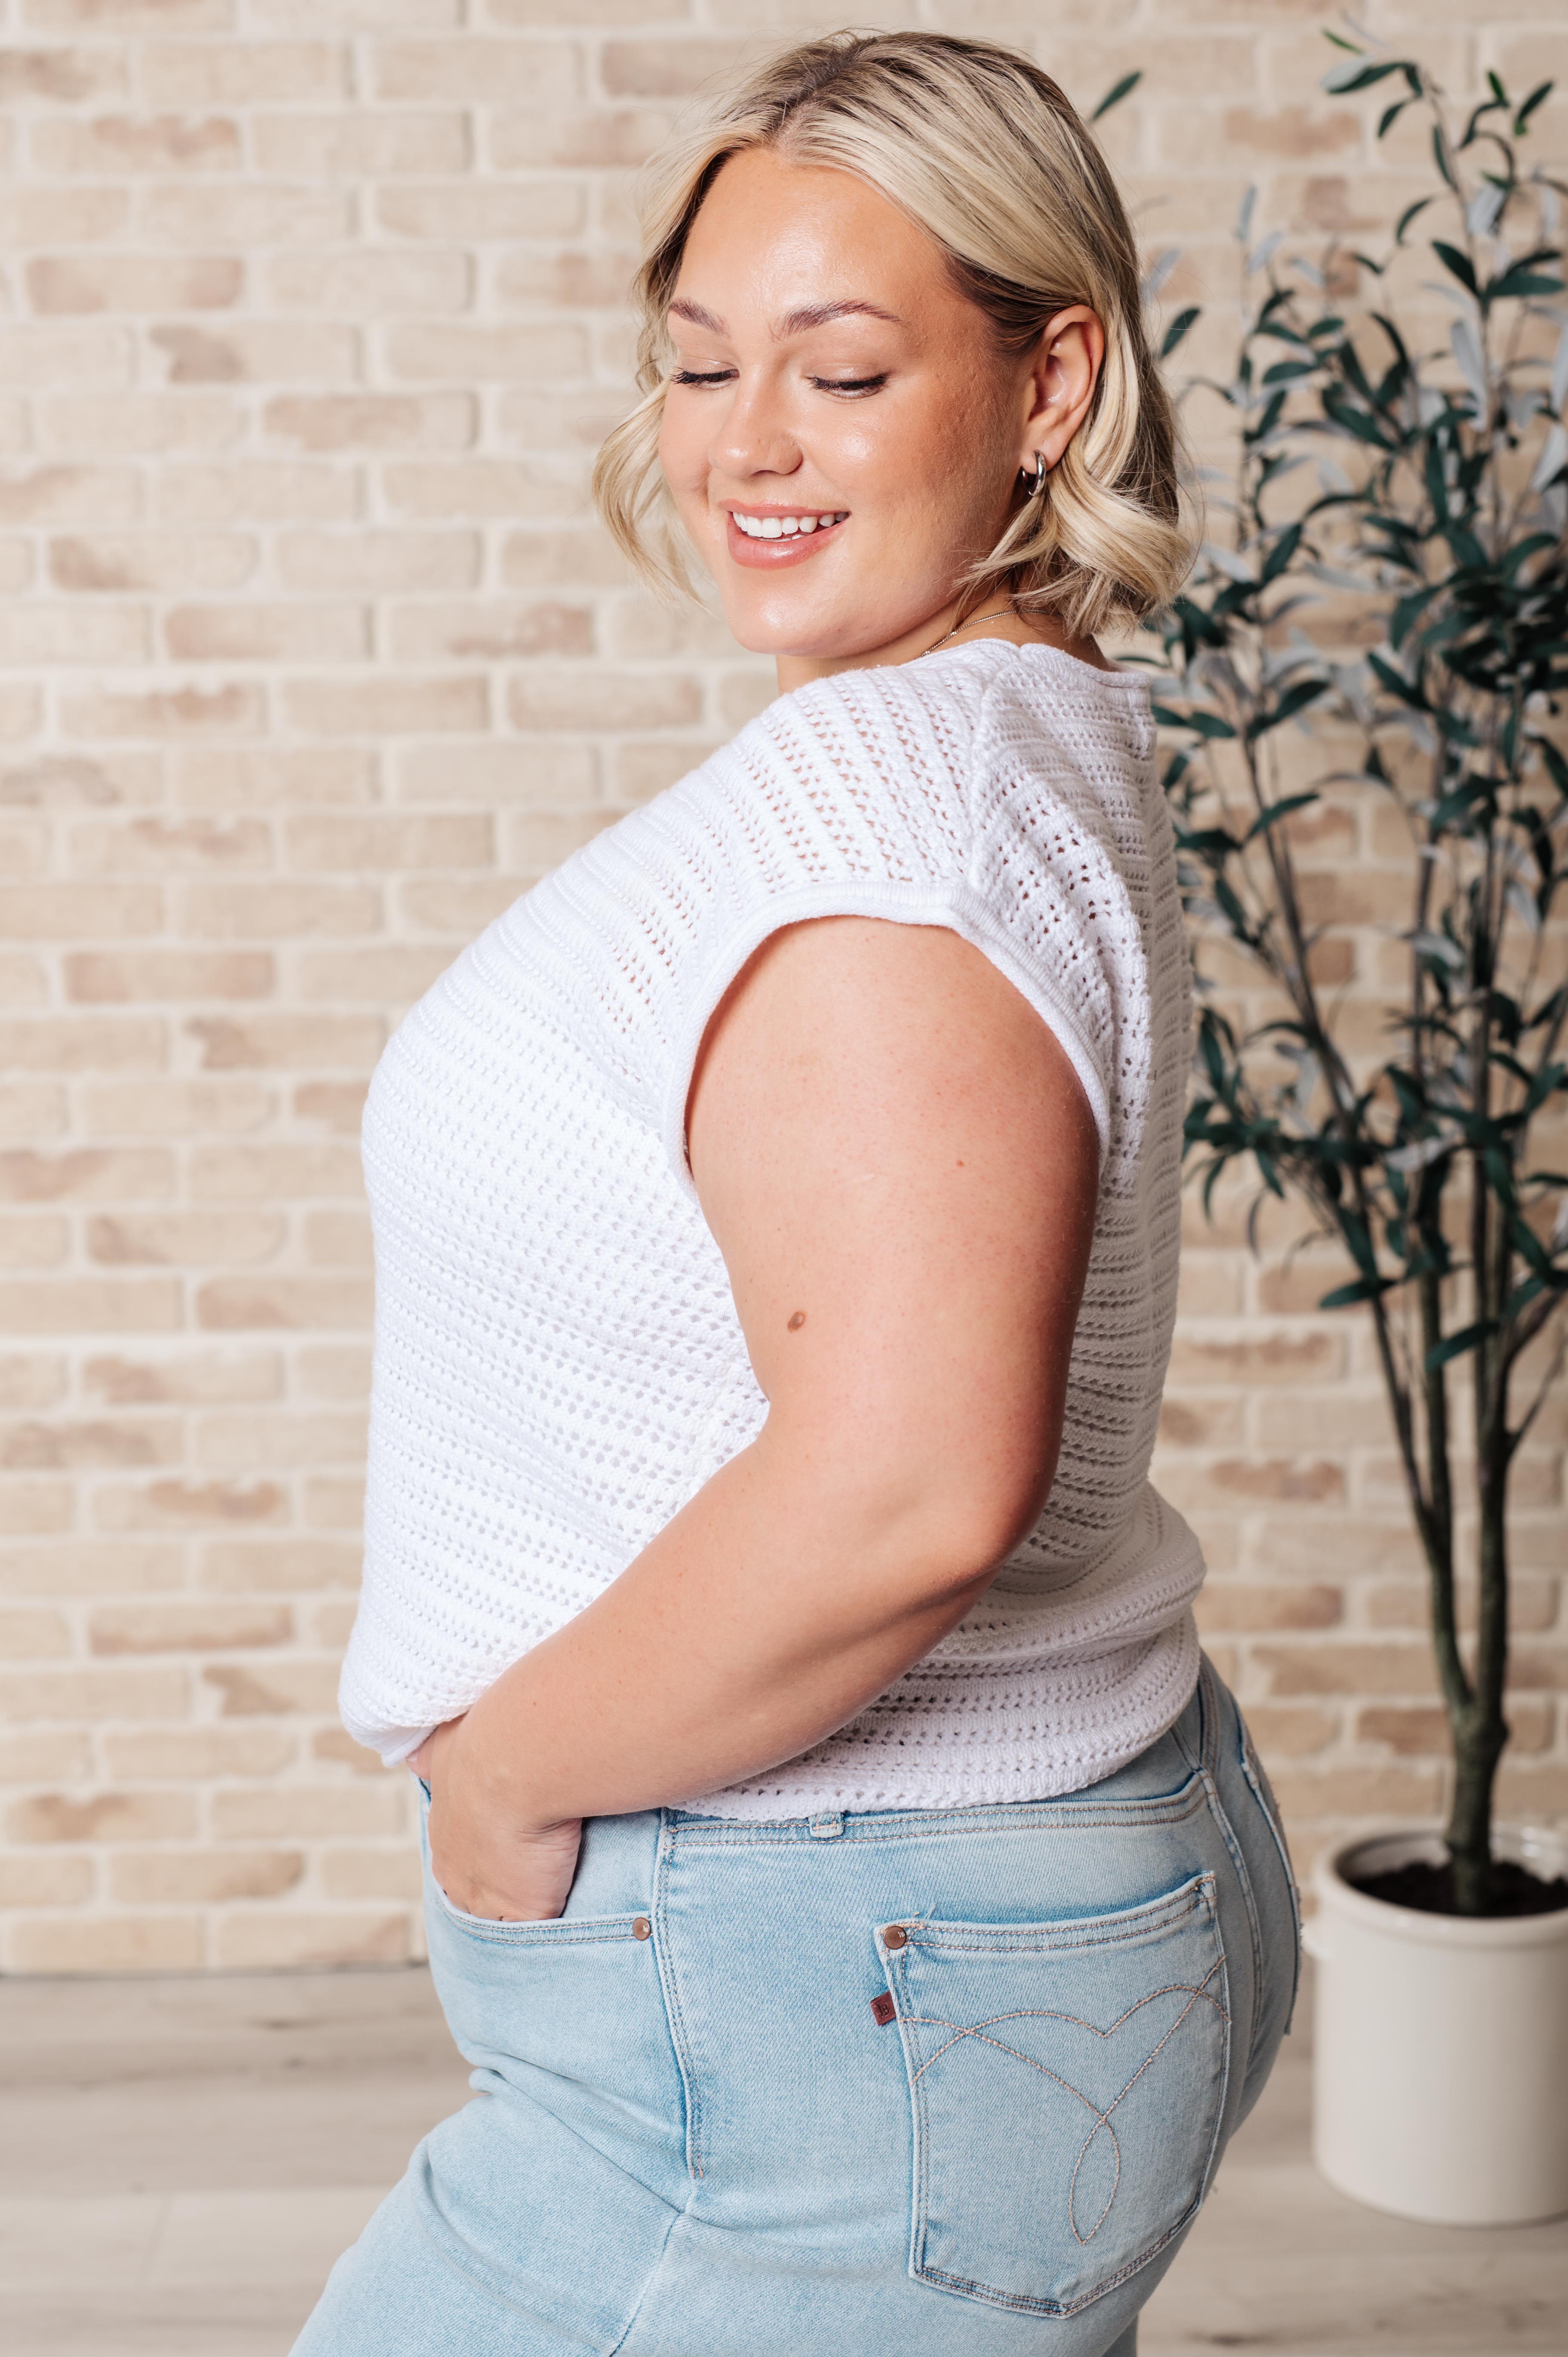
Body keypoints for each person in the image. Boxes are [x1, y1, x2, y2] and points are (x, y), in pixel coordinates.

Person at [295, 31, 1299, 2357]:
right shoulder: (1007, 727)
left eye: (844, 371)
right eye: (701, 361)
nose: (748, 442)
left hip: (832, 1978)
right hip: (942, 1951)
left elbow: (915, 1487)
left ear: (1053, 381)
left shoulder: (897, 827)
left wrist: (506, 1779)